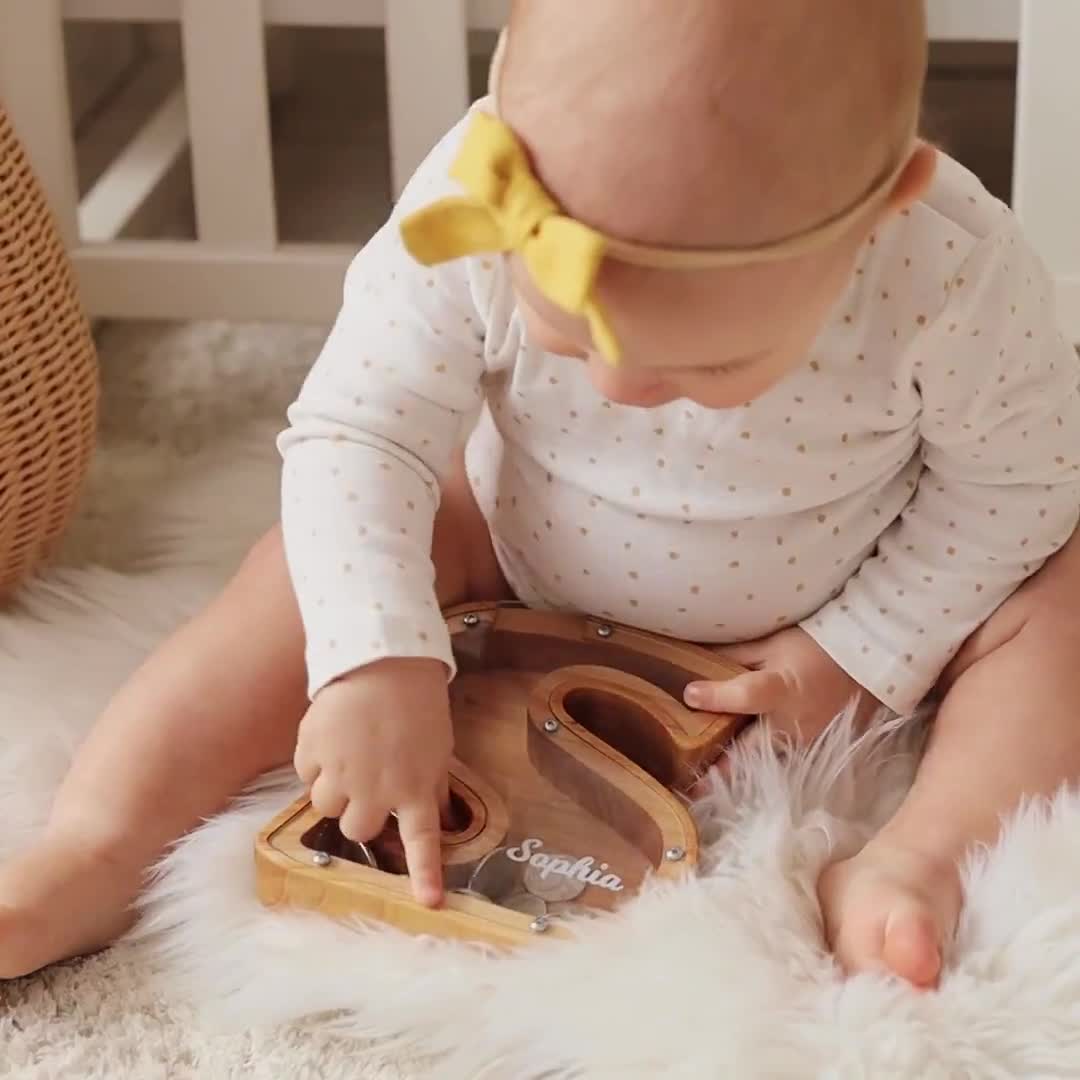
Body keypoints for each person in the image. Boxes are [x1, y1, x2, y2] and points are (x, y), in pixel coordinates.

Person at [3, 0, 1080, 993]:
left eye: (704, 371)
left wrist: (862, 649)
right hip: (514, 550)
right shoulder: (478, 193)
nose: (621, 389)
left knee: (1055, 603)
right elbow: (358, 429)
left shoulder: (952, 272)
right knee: (308, 563)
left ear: (880, 210)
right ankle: (96, 840)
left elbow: (1022, 482)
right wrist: (376, 654)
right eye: (571, 334)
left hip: (833, 592)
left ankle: (917, 859)